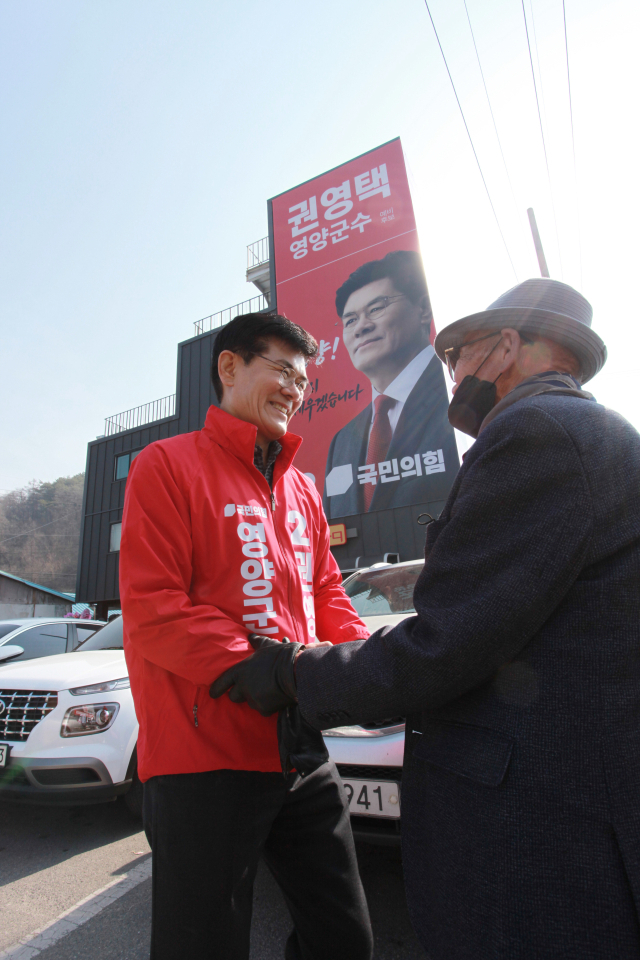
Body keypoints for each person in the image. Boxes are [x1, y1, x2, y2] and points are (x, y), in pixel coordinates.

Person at [213, 279, 640, 959]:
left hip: (544, 834)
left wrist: (293, 671)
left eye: (456, 356)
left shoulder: (537, 433)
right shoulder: (589, 432)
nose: (453, 373)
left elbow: (447, 642)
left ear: (505, 348)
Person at [119, 312, 373, 960]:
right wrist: (271, 668)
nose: (295, 389)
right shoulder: (165, 465)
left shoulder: (303, 489)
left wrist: (366, 664)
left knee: (344, 939)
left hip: (300, 751)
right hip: (203, 759)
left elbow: (326, 591)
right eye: (282, 370)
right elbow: (154, 607)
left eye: (303, 380)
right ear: (229, 367)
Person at [323, 250, 458, 518]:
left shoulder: (459, 394)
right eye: (350, 321)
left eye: (375, 309)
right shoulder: (342, 442)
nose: (361, 327)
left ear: (423, 309)